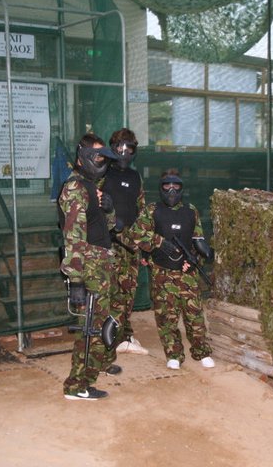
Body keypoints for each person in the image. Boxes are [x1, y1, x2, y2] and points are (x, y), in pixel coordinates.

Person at [57, 132, 122, 401]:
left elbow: (109, 227)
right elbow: (73, 237)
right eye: (97, 157)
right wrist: (75, 280)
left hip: (101, 265)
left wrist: (109, 208)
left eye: (104, 158)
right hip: (89, 266)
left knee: (101, 325)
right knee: (90, 329)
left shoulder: (90, 187)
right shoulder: (76, 188)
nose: (102, 163)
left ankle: (88, 377)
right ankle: (76, 386)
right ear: (83, 157)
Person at [129, 168, 214, 370]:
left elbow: (198, 239)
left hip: (187, 273)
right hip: (162, 273)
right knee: (166, 317)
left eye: (176, 185)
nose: (172, 190)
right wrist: (159, 242)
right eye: (167, 185)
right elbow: (135, 234)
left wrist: (197, 258)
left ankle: (201, 352)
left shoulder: (190, 211)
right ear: (161, 187)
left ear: (182, 187)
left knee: (194, 316)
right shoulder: (152, 210)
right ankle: (173, 354)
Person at [101, 128, 149, 355]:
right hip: (108, 243)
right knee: (113, 292)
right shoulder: (102, 174)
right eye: (120, 147)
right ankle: (111, 337)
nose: (124, 152)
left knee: (128, 291)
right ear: (112, 148)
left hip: (131, 243)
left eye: (129, 148)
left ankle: (124, 334)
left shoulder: (134, 177)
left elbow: (142, 210)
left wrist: (143, 243)